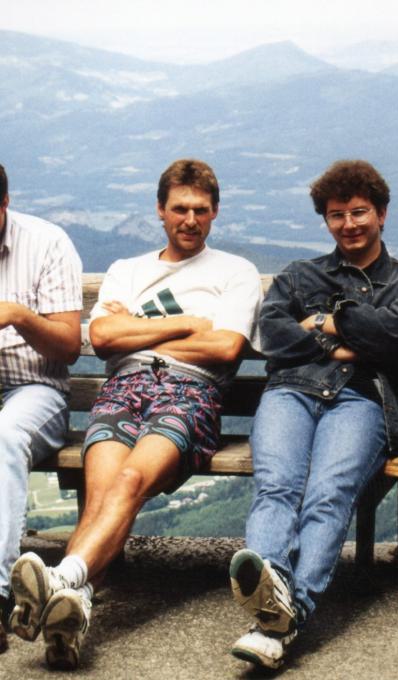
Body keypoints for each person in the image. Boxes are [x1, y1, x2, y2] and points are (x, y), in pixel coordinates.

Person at [9, 159, 262, 670]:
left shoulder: (236, 272)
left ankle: (62, 580)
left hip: (191, 393)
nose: (190, 220)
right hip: (123, 388)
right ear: (160, 211)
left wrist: (139, 333)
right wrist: (189, 324)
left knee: (128, 481)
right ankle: (73, 604)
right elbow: (103, 338)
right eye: (179, 209)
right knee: (102, 492)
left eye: (201, 210)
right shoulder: (128, 269)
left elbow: (225, 348)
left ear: (215, 212)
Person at [229, 160, 398, 670]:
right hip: (291, 392)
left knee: (328, 493)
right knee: (277, 486)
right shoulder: (300, 275)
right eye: (337, 215)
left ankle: (282, 614)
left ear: (382, 214)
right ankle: (276, 606)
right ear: (325, 220)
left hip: (364, 399)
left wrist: (324, 320)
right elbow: (273, 334)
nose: (349, 224)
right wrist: (350, 341)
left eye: (359, 212)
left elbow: (395, 336)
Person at [0, 164, 82, 655]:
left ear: (4, 204)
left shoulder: (46, 243)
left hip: (35, 386)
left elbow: (68, 347)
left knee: (4, 437)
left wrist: (18, 315)